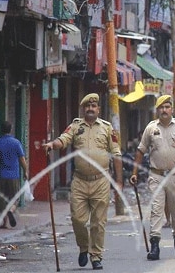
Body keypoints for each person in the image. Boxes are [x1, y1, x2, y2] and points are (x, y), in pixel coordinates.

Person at [42, 94, 122, 270]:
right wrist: (52, 145)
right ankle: (84, 247)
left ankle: (96, 256)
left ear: (98, 109)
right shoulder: (76, 126)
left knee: (98, 222)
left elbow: (116, 153)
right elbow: (63, 139)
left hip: (101, 181)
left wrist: (118, 181)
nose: (90, 109)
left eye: (94, 106)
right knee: (78, 219)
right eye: (87, 106)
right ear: (83, 109)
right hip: (79, 181)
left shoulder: (107, 129)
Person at [130, 95, 175, 261]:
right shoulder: (151, 128)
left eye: (167, 107)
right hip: (156, 176)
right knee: (156, 210)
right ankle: (155, 246)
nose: (164, 110)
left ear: (171, 109)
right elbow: (140, 150)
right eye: (161, 108)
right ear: (157, 110)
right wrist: (134, 172)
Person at [0, 121, 28, 229]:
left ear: (1, 130)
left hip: (2, 175)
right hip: (14, 175)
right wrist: (25, 171)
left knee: (3, 199)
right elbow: (22, 158)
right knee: (16, 198)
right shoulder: (16, 143)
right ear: (10, 129)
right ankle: (11, 210)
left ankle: (4, 223)